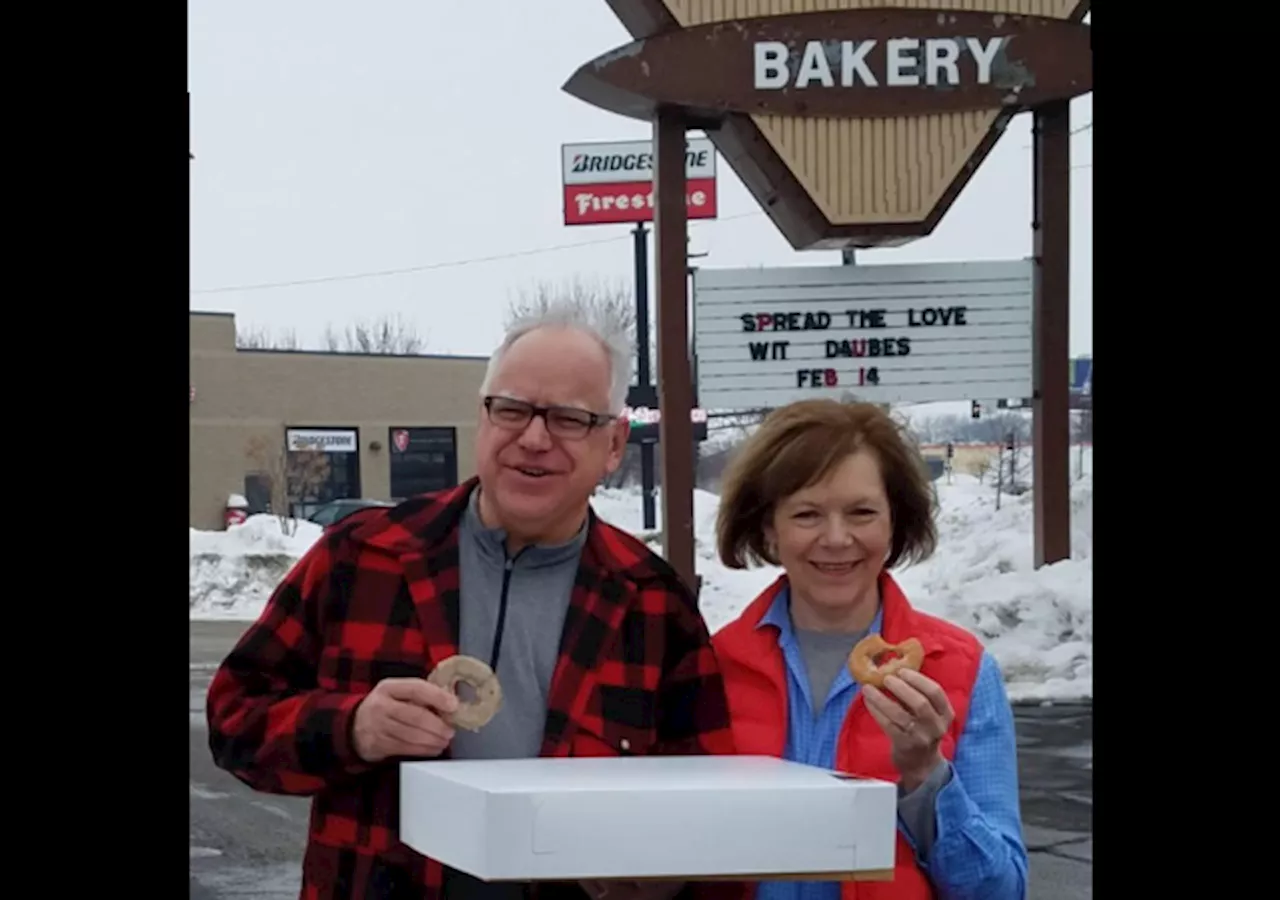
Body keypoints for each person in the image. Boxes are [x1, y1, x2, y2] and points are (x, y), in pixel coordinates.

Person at [206, 298, 737, 900]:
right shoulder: (363, 557)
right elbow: (233, 722)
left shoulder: (652, 604)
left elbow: (708, 815)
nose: (533, 439)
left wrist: (652, 875)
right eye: (511, 409)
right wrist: (352, 727)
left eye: (567, 418)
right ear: (482, 419)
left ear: (613, 444)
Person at [710, 400, 1027, 900]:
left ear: (894, 523)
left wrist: (926, 774)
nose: (836, 539)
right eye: (807, 514)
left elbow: (999, 890)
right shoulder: (712, 669)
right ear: (769, 527)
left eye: (861, 512)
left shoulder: (961, 672)